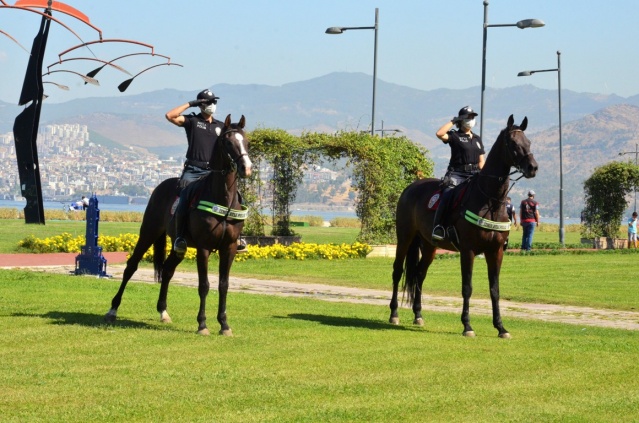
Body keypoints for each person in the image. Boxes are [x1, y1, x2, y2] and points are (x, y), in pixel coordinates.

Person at [165, 88, 246, 257]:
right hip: (194, 170)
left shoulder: (219, 126)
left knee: (236, 197)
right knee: (184, 195)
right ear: (201, 104)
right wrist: (191, 104)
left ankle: (238, 237)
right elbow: (170, 116)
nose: (212, 105)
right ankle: (180, 237)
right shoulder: (192, 121)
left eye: (214, 102)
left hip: (213, 172)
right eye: (208, 102)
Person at [432, 106, 485, 241]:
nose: (471, 120)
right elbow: (439, 134)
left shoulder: (478, 139)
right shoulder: (455, 135)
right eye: (468, 117)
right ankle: (439, 227)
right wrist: (453, 121)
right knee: (448, 194)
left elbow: (481, 162)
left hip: (474, 175)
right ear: (461, 120)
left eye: (472, 117)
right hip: (456, 174)